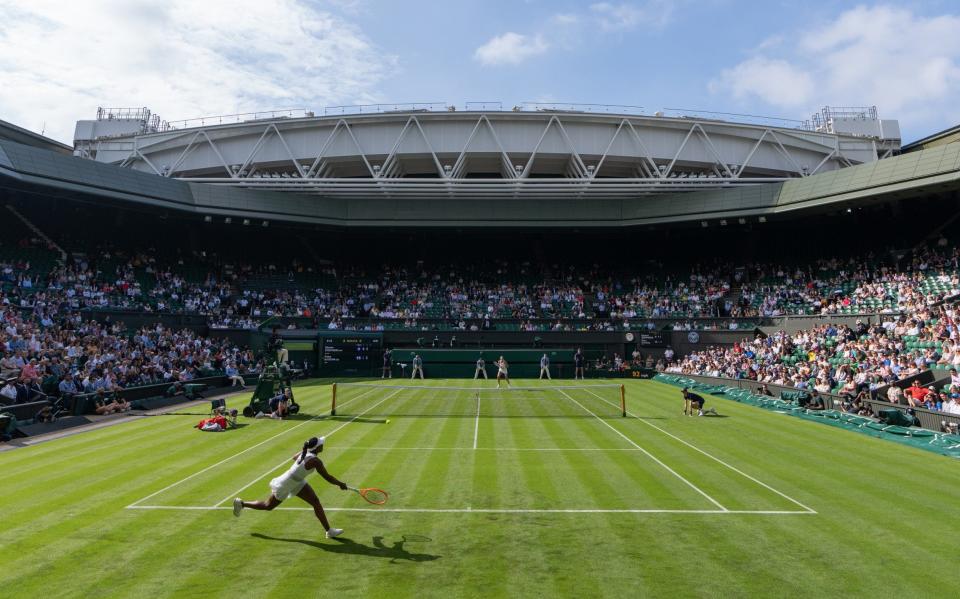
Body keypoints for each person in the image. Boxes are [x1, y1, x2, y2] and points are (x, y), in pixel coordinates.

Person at [234, 436, 348, 539]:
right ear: (318, 447)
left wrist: (305, 451)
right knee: (268, 506)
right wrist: (341, 484)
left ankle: (329, 531)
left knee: (315, 501)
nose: (323, 444)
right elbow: (327, 477)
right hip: (286, 483)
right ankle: (241, 504)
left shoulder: (307, 453)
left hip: (297, 482)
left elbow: (294, 457)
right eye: (321, 444)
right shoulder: (315, 461)